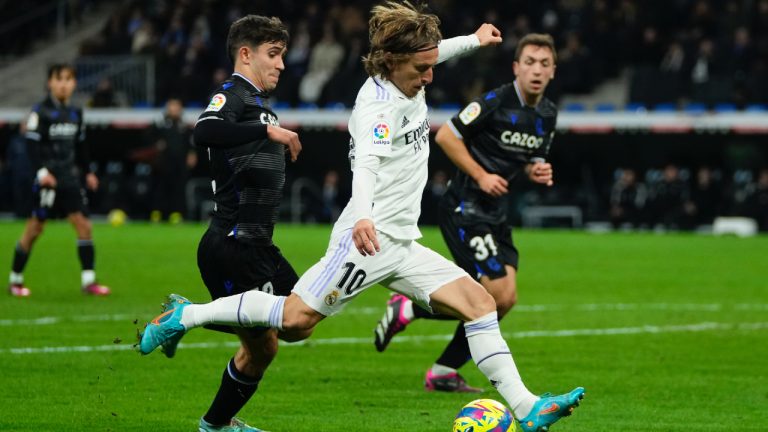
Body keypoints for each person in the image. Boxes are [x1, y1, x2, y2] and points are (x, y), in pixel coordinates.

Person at [139, 4, 584, 432]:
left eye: (431, 66)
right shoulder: (377, 109)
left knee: (481, 304)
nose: (429, 77)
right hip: (367, 241)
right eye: (421, 70)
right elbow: (366, 166)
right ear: (393, 62)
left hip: (402, 243)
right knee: (295, 321)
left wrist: (473, 40)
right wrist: (364, 219)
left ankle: (528, 407)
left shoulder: (408, 70)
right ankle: (187, 316)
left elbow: (432, 54)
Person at [371, 33, 561, 394]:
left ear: (553, 71)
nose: (537, 70)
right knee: (492, 295)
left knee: (504, 299)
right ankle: (412, 314)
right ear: (516, 68)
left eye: (545, 64)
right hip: (464, 206)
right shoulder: (495, 101)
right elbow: (447, 137)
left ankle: (441, 366)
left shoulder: (547, 114)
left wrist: (538, 170)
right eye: (530, 62)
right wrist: (481, 175)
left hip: (495, 212)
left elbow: (532, 159)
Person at [144, 15, 302, 432]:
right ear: (245, 54)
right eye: (273, 54)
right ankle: (187, 314)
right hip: (235, 246)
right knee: (289, 324)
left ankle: (215, 424)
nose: (281, 65)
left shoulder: (255, 105)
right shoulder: (231, 94)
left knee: (275, 338)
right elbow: (205, 130)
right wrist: (270, 133)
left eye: (282, 55)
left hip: (253, 245)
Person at [8, 64, 110, 297]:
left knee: (84, 225)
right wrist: (42, 172)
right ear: (50, 83)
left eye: (68, 79)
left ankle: (89, 281)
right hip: (47, 181)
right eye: (59, 79)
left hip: (69, 180)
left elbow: (81, 146)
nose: (64, 83)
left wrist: (88, 172)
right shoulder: (40, 112)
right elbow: (31, 145)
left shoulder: (76, 113)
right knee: (35, 229)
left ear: (74, 83)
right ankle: (15, 280)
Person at [148, 98, 197, 224]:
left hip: (179, 163)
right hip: (163, 163)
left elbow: (190, 143)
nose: (174, 109)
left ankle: (176, 214)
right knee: (160, 188)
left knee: (178, 189)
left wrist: (192, 154)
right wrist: (156, 146)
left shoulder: (184, 126)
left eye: (177, 106)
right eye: (172, 106)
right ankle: (156, 213)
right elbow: (150, 140)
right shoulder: (160, 124)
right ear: (167, 108)